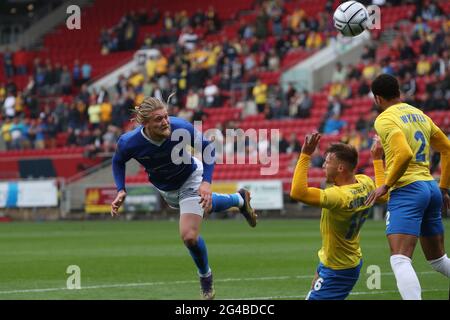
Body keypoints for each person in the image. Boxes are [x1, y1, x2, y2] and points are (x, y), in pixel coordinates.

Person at [110, 97, 257, 300]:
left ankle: (205, 277)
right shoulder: (129, 142)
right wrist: (121, 189)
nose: (165, 122)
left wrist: (205, 182)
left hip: (190, 177)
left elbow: (208, 148)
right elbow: (118, 161)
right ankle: (239, 200)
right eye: (158, 119)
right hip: (166, 189)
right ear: (145, 124)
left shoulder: (181, 127)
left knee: (189, 235)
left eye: (166, 116)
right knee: (205, 205)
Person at [365, 74, 450, 300]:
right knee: (439, 261)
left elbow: (404, 153)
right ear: (399, 92)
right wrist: (443, 188)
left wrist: (386, 185)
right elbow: (447, 148)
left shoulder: (384, 119)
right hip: (430, 187)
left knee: (400, 259)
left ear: (377, 98)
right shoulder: (419, 114)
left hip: (408, 189)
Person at [290, 132, 384, 300]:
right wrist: (377, 160)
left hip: (337, 269)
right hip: (345, 260)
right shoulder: (365, 182)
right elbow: (384, 195)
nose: (324, 165)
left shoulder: (338, 196)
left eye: (328, 162)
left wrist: (305, 155)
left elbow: (297, 192)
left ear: (340, 168)